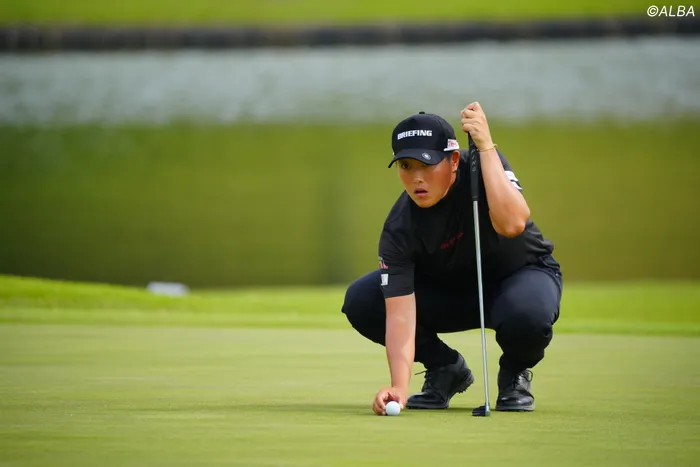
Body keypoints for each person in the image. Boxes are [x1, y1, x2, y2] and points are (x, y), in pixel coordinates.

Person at [340, 103, 563, 416]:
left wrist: (486, 147)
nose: (417, 178)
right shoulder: (399, 228)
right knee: (363, 300)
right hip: (451, 293)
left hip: (520, 276)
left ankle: (514, 373)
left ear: (454, 160)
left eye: (427, 164)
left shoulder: (483, 165)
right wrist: (399, 387)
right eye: (406, 166)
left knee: (528, 314)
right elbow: (401, 317)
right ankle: (445, 367)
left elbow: (512, 224)